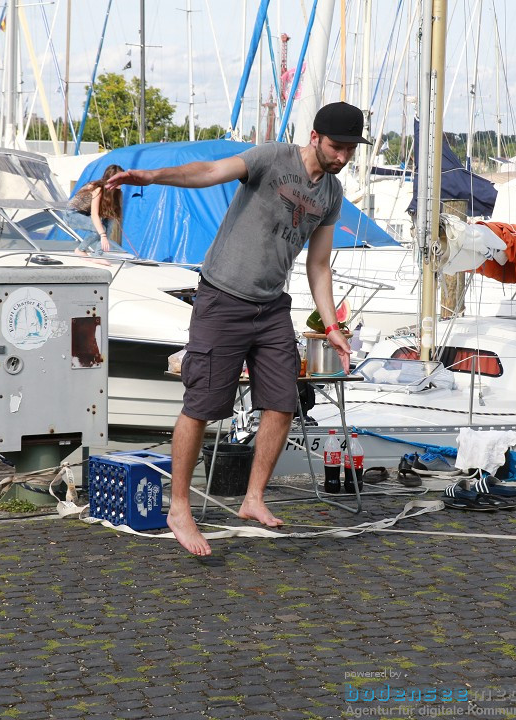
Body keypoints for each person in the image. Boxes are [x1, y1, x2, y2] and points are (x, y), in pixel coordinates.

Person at [105, 102, 369, 555]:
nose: (343, 157)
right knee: (202, 405)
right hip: (222, 296)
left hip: (271, 307)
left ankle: (252, 498)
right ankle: (180, 509)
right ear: (314, 136)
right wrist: (151, 178)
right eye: (336, 147)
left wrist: (333, 326)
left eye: (350, 149)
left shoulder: (332, 193)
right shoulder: (270, 157)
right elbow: (208, 171)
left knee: (283, 403)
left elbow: (319, 264)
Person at [67, 164, 123, 255]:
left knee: (109, 226)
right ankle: (80, 250)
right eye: (119, 178)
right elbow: (94, 214)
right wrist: (103, 235)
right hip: (73, 213)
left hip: (87, 213)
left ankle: (98, 255)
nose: (122, 181)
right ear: (111, 179)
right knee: (100, 229)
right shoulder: (98, 189)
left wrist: (105, 234)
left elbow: (111, 219)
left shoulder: (117, 193)